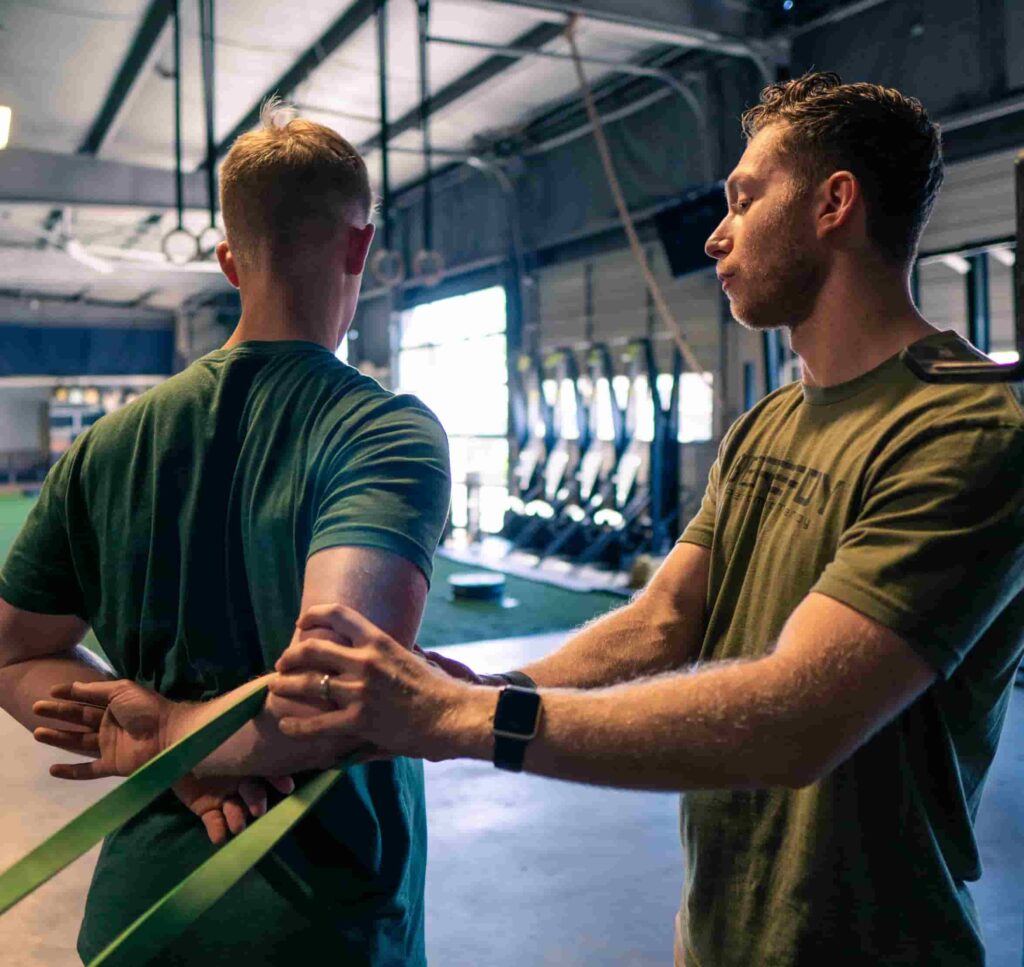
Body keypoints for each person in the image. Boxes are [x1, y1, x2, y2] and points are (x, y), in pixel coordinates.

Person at [195, 71, 1024, 964]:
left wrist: (462, 722)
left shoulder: (963, 431)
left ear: (834, 203)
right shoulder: (770, 422)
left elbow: (799, 719)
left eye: (744, 199)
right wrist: (473, 691)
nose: (716, 234)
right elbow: (661, 623)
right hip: (720, 934)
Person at [0, 100, 451, 965]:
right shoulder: (382, 430)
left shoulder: (107, 445)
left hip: (143, 915)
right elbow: (337, 687)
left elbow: (14, 650)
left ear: (228, 262)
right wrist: (174, 733)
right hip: (325, 926)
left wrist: (157, 737)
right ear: (360, 248)